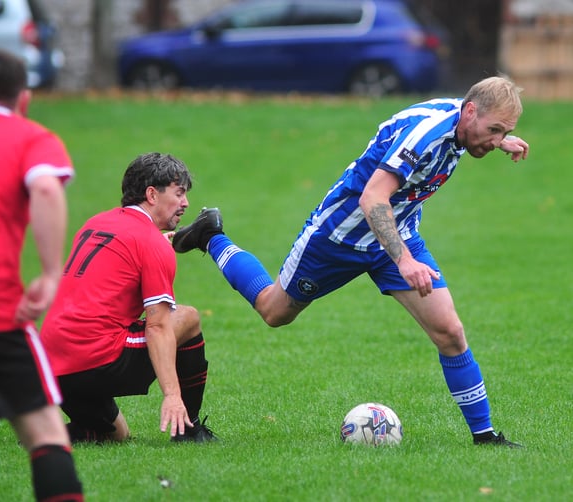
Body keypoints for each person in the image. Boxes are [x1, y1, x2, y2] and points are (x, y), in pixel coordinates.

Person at [173, 76, 529, 447]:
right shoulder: (423, 136)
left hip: (397, 232)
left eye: (503, 131)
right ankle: (211, 236)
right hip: (339, 236)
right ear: (469, 112)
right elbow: (373, 198)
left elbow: (474, 127)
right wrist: (405, 262)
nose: (494, 138)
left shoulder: (468, 120)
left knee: (450, 332)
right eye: (493, 129)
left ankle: (485, 436)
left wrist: (497, 140)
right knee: (274, 311)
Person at [0, 50, 84, 500]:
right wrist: (49, 273)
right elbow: (46, 186)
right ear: (23, 99)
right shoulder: (31, 137)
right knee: (46, 433)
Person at [40, 152, 217, 444]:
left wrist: (174, 238)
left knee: (117, 435)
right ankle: (189, 428)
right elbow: (158, 327)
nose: (185, 203)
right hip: (96, 358)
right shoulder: (150, 243)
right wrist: (172, 396)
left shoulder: (96, 222)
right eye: (179, 193)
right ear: (152, 194)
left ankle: (48, 435)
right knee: (188, 318)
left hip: (52, 367)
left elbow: (133, 246)